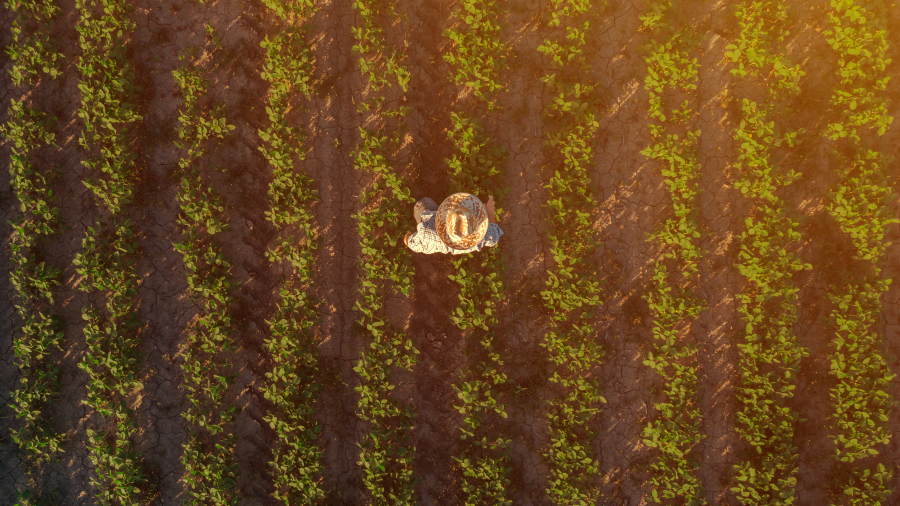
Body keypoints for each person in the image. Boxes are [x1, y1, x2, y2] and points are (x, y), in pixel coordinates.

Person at [404, 192, 503, 254]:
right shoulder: (481, 238)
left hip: (430, 223)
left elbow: (409, 242)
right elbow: (494, 236)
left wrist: (408, 235)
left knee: (423, 203)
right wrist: (490, 215)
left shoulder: (426, 231)